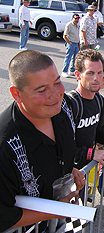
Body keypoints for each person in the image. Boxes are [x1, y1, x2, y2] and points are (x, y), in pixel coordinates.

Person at [0, 50, 85, 232]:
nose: (55, 95)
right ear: (17, 94)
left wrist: (69, 170)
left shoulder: (63, 108)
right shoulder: (4, 147)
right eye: (42, 90)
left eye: (57, 82)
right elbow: (4, 216)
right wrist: (56, 209)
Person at [72, 49, 104, 172]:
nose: (96, 78)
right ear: (78, 75)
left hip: (88, 171)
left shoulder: (99, 100)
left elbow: (100, 131)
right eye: (90, 73)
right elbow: (60, 148)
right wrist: (92, 153)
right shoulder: (69, 104)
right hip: (69, 175)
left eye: (100, 73)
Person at [61, 13, 80, 78]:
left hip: (76, 43)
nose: (77, 20)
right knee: (68, 57)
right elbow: (65, 36)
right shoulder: (69, 25)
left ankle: (72, 70)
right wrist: (69, 42)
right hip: (71, 43)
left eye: (78, 19)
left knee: (75, 58)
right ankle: (64, 71)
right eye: (75, 19)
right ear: (72, 19)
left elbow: (78, 35)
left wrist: (79, 44)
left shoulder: (77, 26)